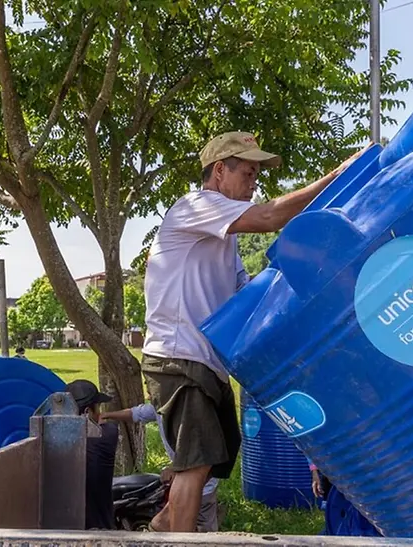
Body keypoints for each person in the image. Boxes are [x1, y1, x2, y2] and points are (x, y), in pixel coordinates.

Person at [141, 131, 371, 532]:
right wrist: (336, 176)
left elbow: (248, 294)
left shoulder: (223, 239)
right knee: (195, 465)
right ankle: (177, 539)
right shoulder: (194, 206)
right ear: (219, 171)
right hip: (178, 356)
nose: (254, 184)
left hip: (205, 362)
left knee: (207, 461)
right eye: (248, 173)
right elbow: (269, 217)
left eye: (256, 176)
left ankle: (161, 526)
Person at [101, 402, 221, 532]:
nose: (149, 394)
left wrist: (174, 467)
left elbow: (198, 449)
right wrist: (106, 415)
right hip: (181, 480)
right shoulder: (158, 406)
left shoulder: (185, 410)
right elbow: (135, 413)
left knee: (202, 530)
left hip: (200, 484)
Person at [65, 379, 119, 530]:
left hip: (62, 529)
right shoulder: (108, 434)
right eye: (98, 407)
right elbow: (107, 426)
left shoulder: (52, 441)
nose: (100, 413)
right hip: (100, 530)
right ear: (88, 412)